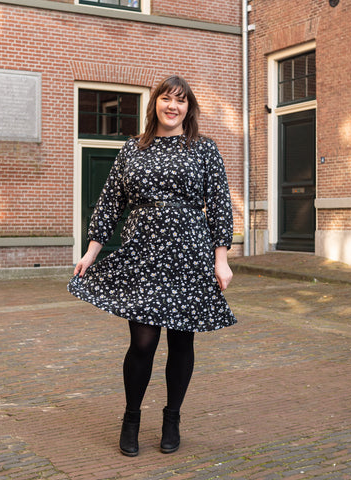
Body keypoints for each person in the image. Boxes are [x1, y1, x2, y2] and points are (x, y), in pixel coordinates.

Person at [68, 74, 237, 457]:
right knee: (142, 341)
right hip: (142, 253)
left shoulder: (204, 149)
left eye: (181, 101)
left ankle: (172, 417)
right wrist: (92, 251)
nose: (172, 106)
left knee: (182, 341)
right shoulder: (132, 149)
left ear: (188, 109)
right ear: (155, 104)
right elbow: (110, 201)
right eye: (166, 99)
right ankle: (131, 418)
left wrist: (221, 259)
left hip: (190, 256)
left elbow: (221, 205)